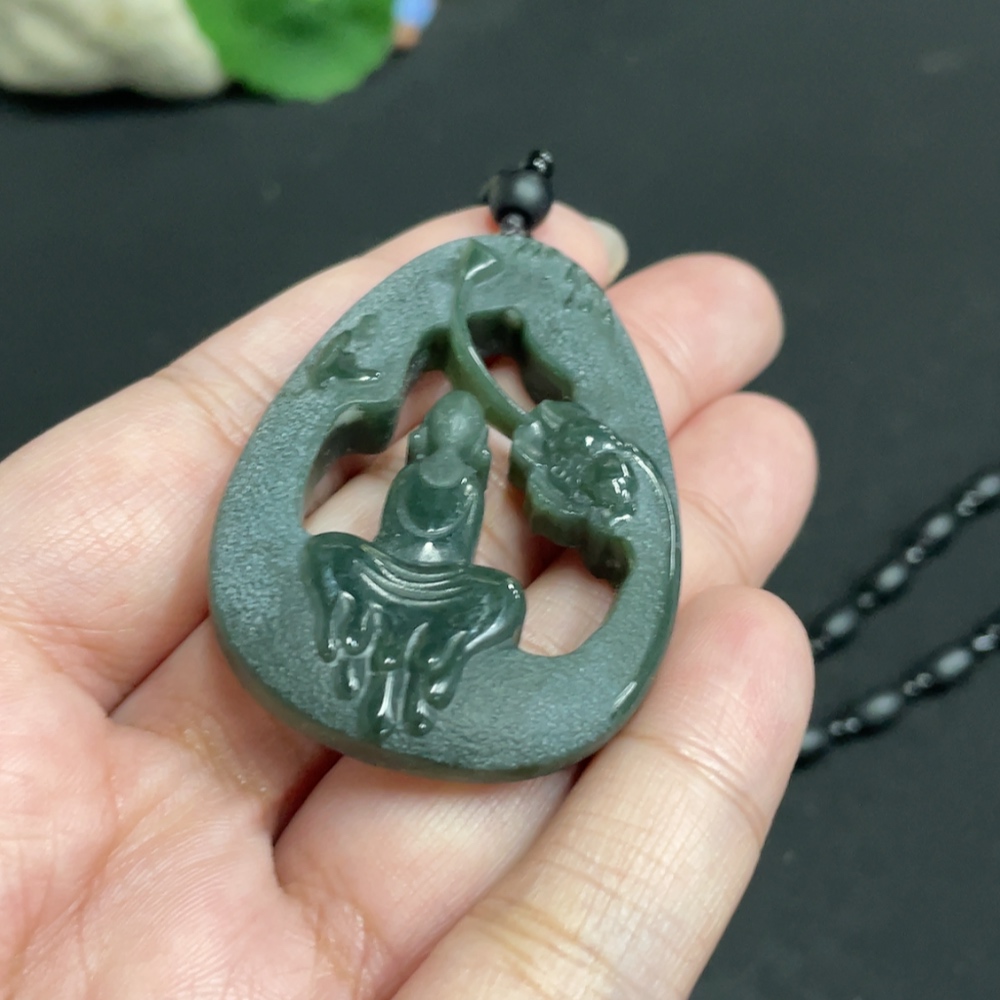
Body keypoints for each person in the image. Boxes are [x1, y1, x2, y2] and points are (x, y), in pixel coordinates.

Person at [0, 203, 816, 997]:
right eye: (437, 442)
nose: (449, 451)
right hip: (378, 576)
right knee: (334, 557)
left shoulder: (471, 474)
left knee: (495, 597)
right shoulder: (427, 461)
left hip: (448, 591)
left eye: (463, 450)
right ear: (419, 440)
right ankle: (381, 651)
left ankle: (424, 664)